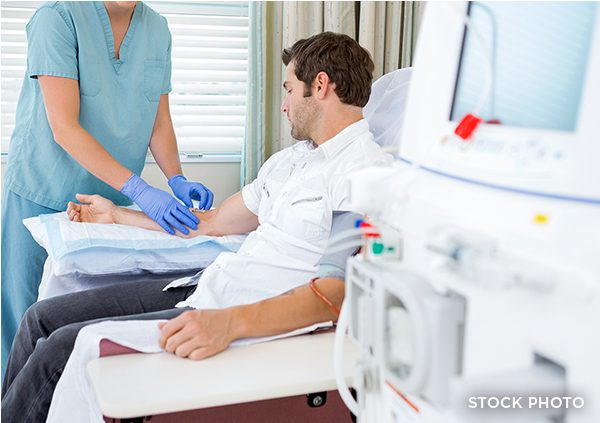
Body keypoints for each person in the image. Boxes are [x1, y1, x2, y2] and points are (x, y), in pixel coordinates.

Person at [2, 31, 383, 422]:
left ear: (319, 85)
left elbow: (333, 293)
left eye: (289, 89)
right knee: (40, 318)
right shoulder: (291, 162)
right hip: (211, 284)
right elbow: (215, 222)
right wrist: (118, 215)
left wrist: (230, 323)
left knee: (57, 352)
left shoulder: (364, 172)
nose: (284, 106)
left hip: (239, 310)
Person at [1, 1, 214, 378]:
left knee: (80, 325)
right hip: (42, 190)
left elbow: (158, 119)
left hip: (107, 203)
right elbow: (64, 127)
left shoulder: (157, 30)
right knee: (25, 325)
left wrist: (176, 178)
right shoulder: (58, 18)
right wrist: (141, 189)